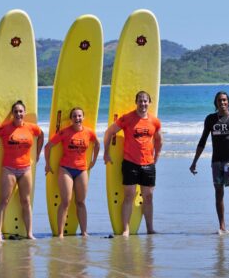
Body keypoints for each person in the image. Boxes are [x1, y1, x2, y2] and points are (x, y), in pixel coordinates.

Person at [190, 91, 229, 234]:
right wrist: (194, 162)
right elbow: (202, 141)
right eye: (219, 101)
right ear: (216, 103)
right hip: (216, 162)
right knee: (219, 193)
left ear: (228, 102)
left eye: (224, 100)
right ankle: (222, 226)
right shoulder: (210, 119)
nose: (222, 103)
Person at [0, 100, 44, 241]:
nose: (18, 114)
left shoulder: (31, 128)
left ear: (25, 112)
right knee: (3, 201)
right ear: (12, 114)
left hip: (26, 169)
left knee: (26, 201)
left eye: (21, 111)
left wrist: (38, 153)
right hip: (8, 169)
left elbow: (41, 136)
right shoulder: (5, 129)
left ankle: (29, 233)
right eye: (15, 111)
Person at [103, 91, 163, 237]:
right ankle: (126, 229)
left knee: (148, 197)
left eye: (145, 101)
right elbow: (109, 132)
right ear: (136, 102)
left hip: (148, 164)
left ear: (149, 102)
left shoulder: (155, 121)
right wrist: (106, 152)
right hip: (130, 163)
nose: (143, 104)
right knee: (129, 196)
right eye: (140, 101)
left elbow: (159, 140)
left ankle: (150, 229)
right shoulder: (127, 119)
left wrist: (157, 155)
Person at [44, 107, 100, 238]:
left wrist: (94, 160)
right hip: (66, 169)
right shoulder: (65, 133)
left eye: (79, 116)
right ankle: (60, 233)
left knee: (81, 202)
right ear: (71, 119)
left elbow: (97, 144)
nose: (77, 118)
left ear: (83, 117)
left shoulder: (89, 133)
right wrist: (47, 164)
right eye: (74, 116)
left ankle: (84, 232)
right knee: (66, 201)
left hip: (81, 170)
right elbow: (48, 147)